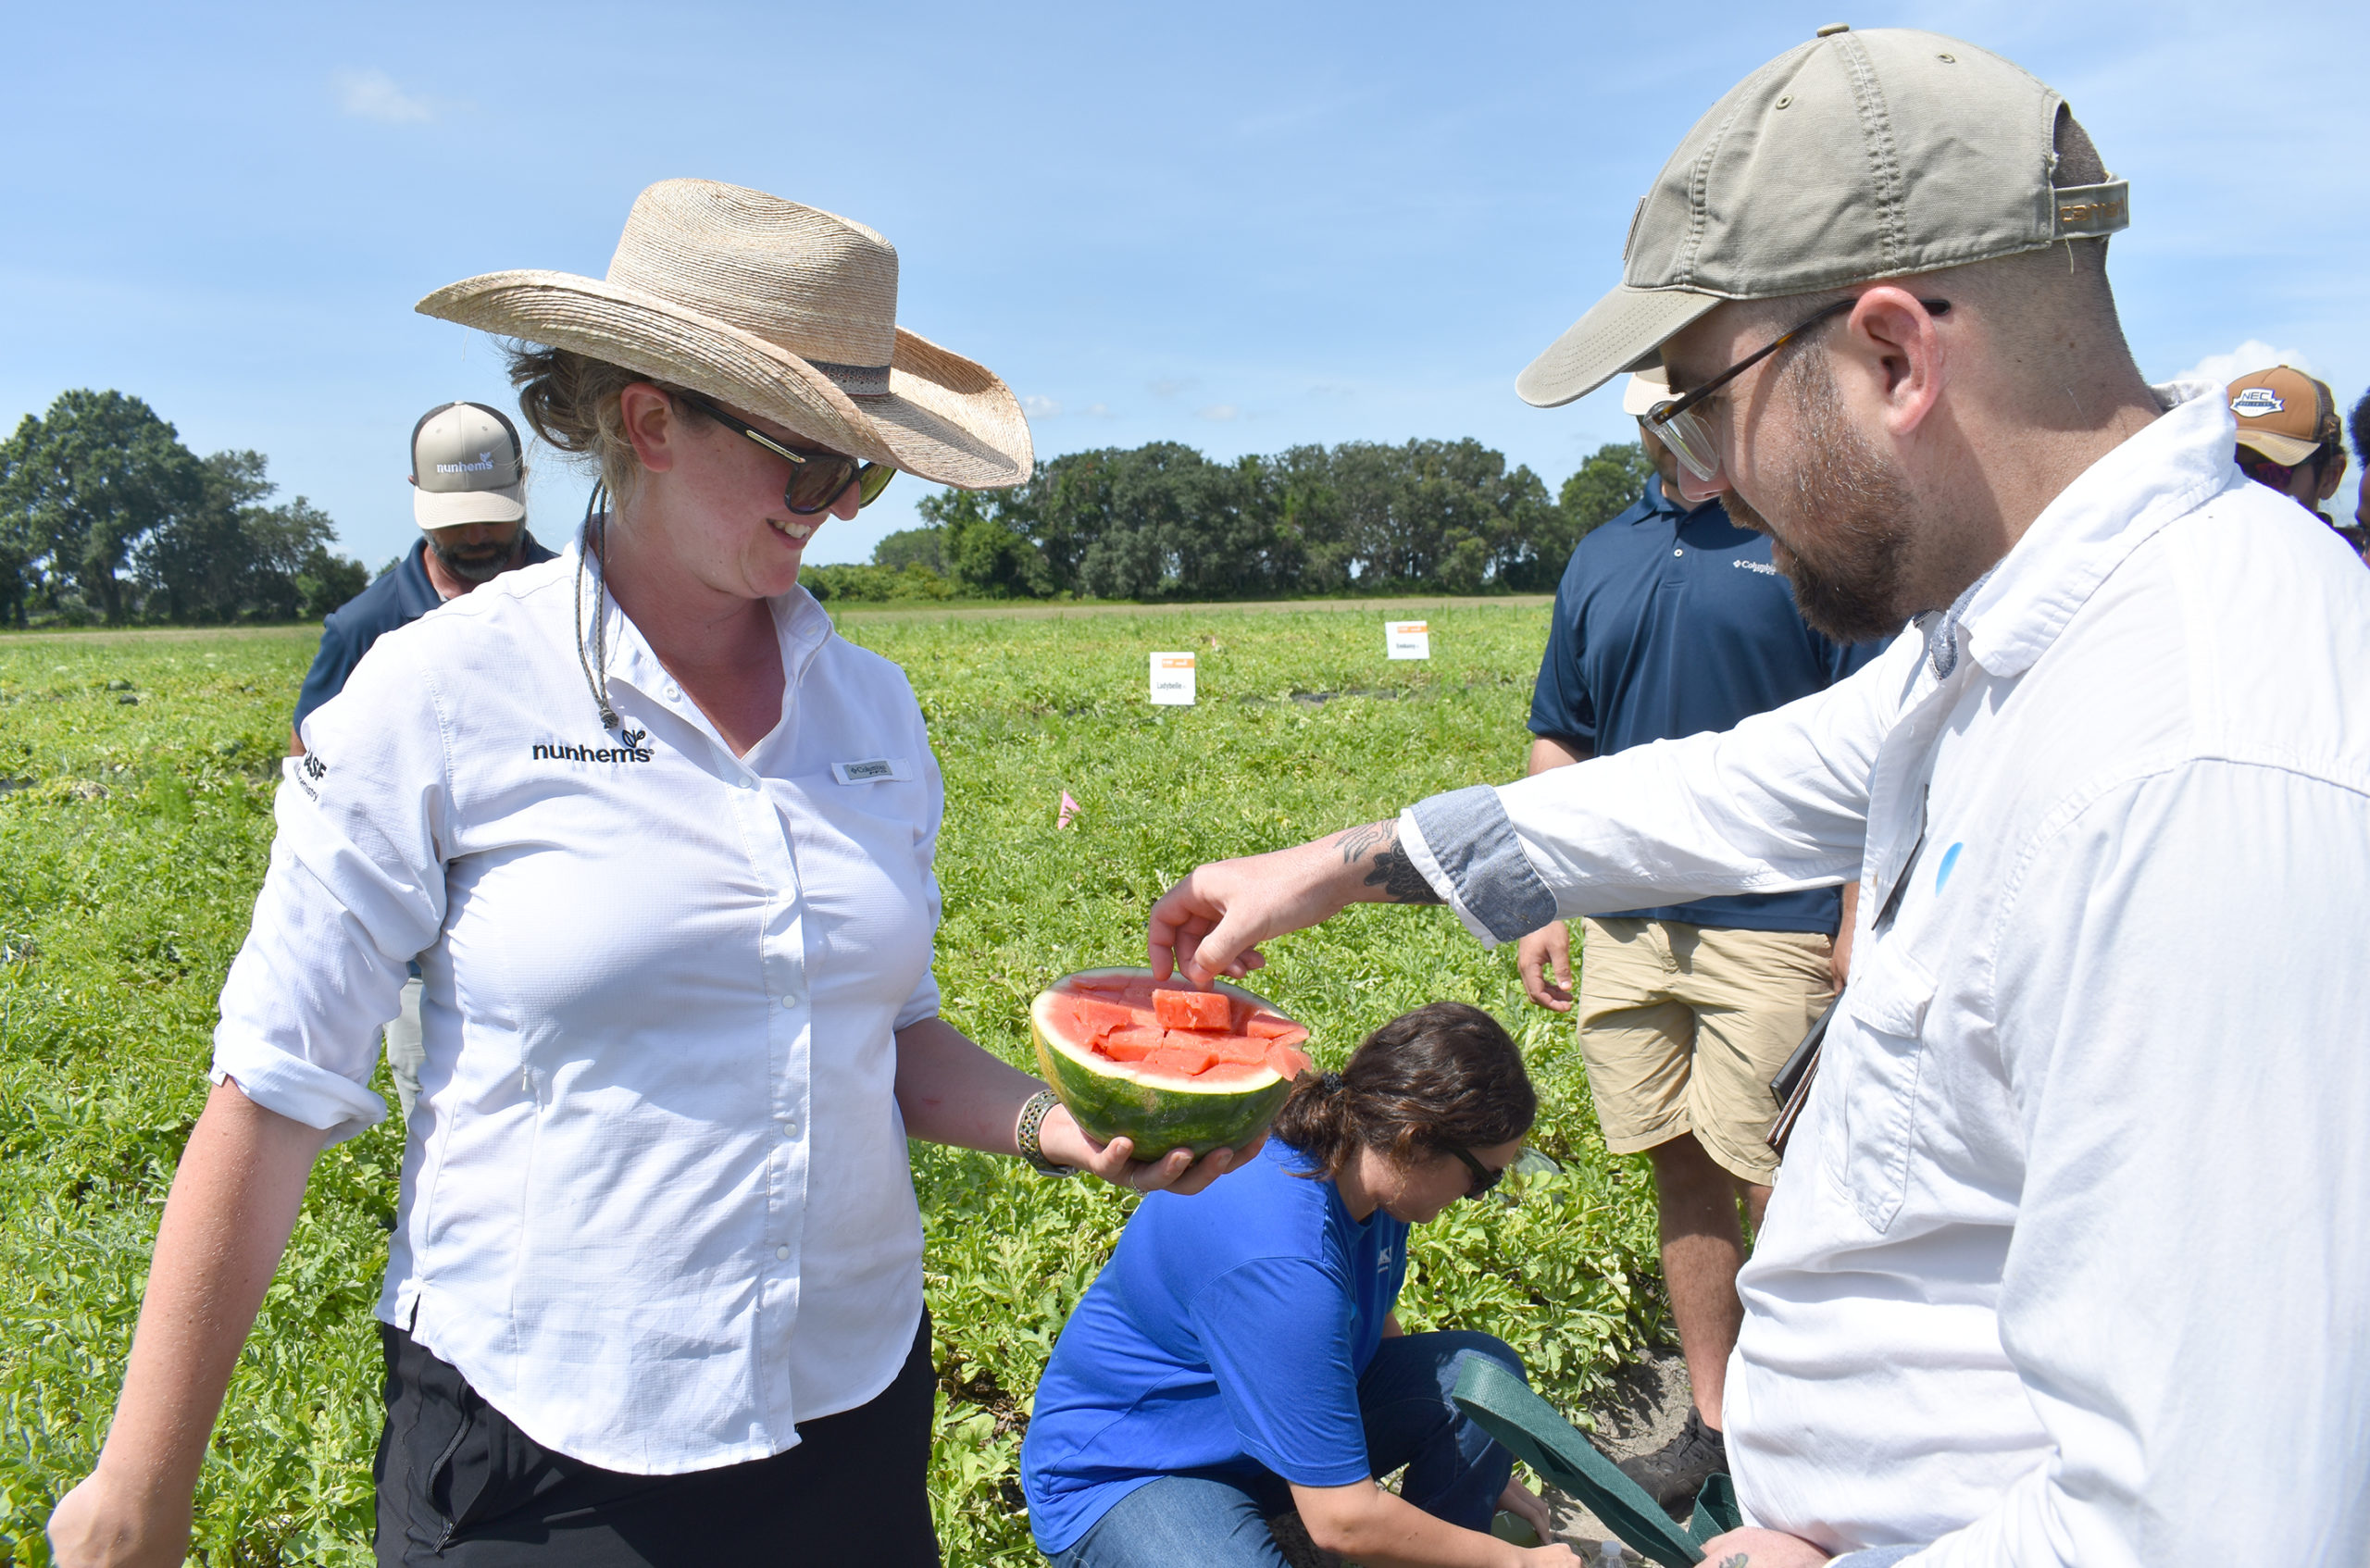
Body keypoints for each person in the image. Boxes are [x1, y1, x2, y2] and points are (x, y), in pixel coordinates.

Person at [1140, 27, 2370, 1568]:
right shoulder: (2017, 647)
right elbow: (1738, 785)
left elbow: (2223, 1522)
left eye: (1706, 406)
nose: (1705, 467)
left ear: (1893, 357)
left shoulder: (2194, 765)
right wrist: (1338, 861)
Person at [48, 180, 1258, 1568]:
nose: (842, 509)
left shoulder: (871, 711)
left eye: (863, 472)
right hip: (546, 1439)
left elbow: (887, 1035)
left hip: (847, 1412)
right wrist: (144, 1475)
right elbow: (270, 1092)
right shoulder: (437, 692)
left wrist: (1068, 1123)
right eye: (809, 464)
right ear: (647, 419)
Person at [1516, 367, 1883, 1507]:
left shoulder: (1801, 535)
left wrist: (1859, 907)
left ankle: (1832, 1428)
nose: (1677, 421)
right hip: (1628, 923)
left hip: (1771, 920)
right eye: (1659, 405)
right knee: (1676, 1159)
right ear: (1639, 417)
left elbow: (1875, 743)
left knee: (1785, 1175)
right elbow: (1558, 736)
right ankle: (1717, 1421)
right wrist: (1544, 891)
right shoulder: (1603, 552)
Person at [1022, 1002, 1576, 1568]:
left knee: (1483, 1383)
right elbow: (1343, 1519)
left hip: (1253, 1440)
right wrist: (1515, 1562)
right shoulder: (1285, 1257)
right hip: (1137, 1467)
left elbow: (1368, 1318)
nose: (1473, 1196)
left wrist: (1466, 1452)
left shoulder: (1365, 1167)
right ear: (1415, 1139)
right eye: (1480, 1180)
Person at [289, 400, 558, 1116]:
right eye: (456, 516)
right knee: (439, 1122)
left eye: (493, 513)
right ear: (415, 493)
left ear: (524, 487)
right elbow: (311, 767)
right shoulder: (367, 627)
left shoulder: (583, 600)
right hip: (419, 954)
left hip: (560, 939)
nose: (476, 535)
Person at [2226, 365, 2351, 530]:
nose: (2242, 488)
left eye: (2271, 473)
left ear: (2330, 477)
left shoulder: (2338, 556)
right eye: (2226, 470)